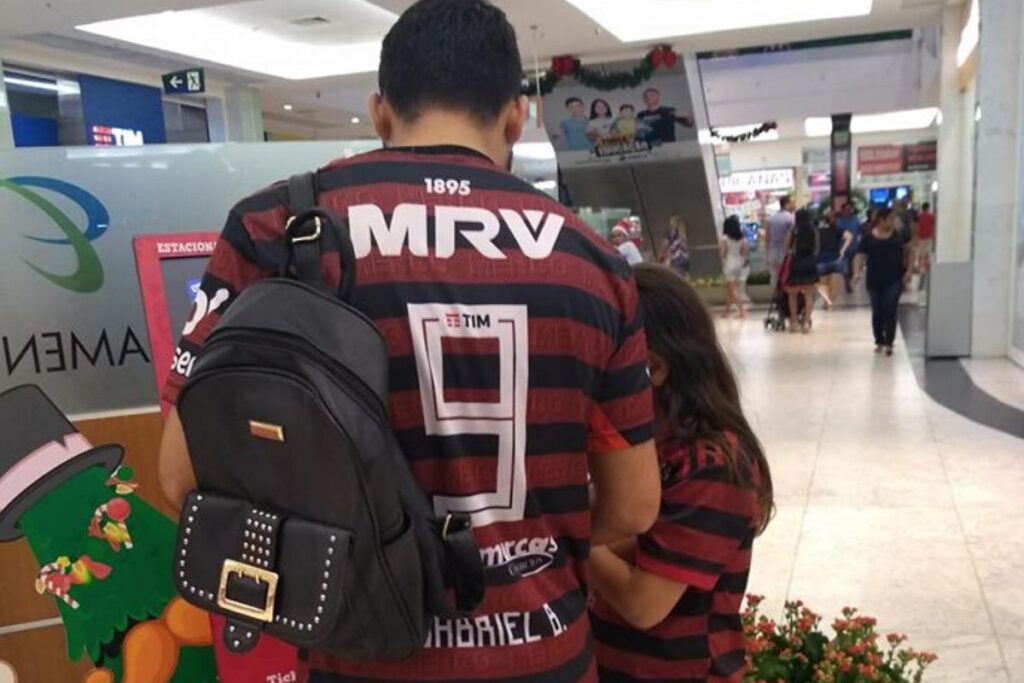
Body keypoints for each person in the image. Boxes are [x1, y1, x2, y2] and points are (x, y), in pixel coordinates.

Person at [158, 2, 662, 682]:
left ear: (380, 111)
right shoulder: (596, 263)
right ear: (517, 116)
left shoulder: (272, 228)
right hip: (543, 653)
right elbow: (633, 504)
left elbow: (180, 476)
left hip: (359, 652)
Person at [589, 264, 773, 683]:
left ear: (653, 368)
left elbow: (643, 604)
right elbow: (619, 541)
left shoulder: (713, 466)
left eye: (603, 361)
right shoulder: (651, 449)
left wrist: (561, 529)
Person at [854, 208, 910, 356]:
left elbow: (909, 250)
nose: (893, 222)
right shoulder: (868, 238)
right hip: (874, 279)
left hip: (894, 278)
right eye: (890, 219)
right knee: (877, 311)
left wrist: (909, 270)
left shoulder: (899, 235)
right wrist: (857, 272)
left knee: (890, 308)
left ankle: (889, 341)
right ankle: (879, 339)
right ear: (881, 220)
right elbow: (860, 255)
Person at [784, 208, 820, 333]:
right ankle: (806, 322)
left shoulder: (793, 230)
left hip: (796, 262)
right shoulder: (813, 230)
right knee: (809, 295)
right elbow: (816, 248)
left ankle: (794, 322)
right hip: (809, 262)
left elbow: (787, 247)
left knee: (792, 294)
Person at [816, 211, 853, 308]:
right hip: (835, 259)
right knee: (835, 286)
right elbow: (849, 237)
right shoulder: (838, 230)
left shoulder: (819, 231)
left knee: (823, 285)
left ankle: (827, 302)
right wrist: (842, 250)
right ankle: (829, 303)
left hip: (821, 260)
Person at [720, 215, 748, 319]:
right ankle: (726, 311)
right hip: (738, 263)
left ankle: (742, 311)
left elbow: (722, 253)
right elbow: (744, 252)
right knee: (730, 289)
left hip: (729, 263)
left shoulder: (725, 239)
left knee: (733, 289)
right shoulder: (742, 239)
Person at [766, 195, 795, 288]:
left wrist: (767, 252)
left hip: (773, 252)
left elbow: (767, 237)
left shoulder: (771, 219)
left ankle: (777, 298)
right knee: (788, 277)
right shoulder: (791, 218)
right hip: (787, 253)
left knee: (776, 278)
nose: (793, 205)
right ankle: (787, 298)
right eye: (792, 203)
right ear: (786, 204)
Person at [835, 202, 861, 293]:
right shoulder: (838, 221)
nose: (848, 211)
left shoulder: (856, 219)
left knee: (852, 268)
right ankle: (847, 283)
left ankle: (850, 279)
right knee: (845, 268)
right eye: (846, 210)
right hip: (843, 248)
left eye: (850, 209)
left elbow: (859, 230)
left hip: (854, 247)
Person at [916, 202, 936, 275]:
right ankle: (926, 267)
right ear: (927, 208)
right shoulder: (931, 216)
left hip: (920, 236)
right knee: (927, 252)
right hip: (928, 236)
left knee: (920, 252)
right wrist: (933, 235)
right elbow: (933, 226)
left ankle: (919, 267)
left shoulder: (918, 216)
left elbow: (917, 227)